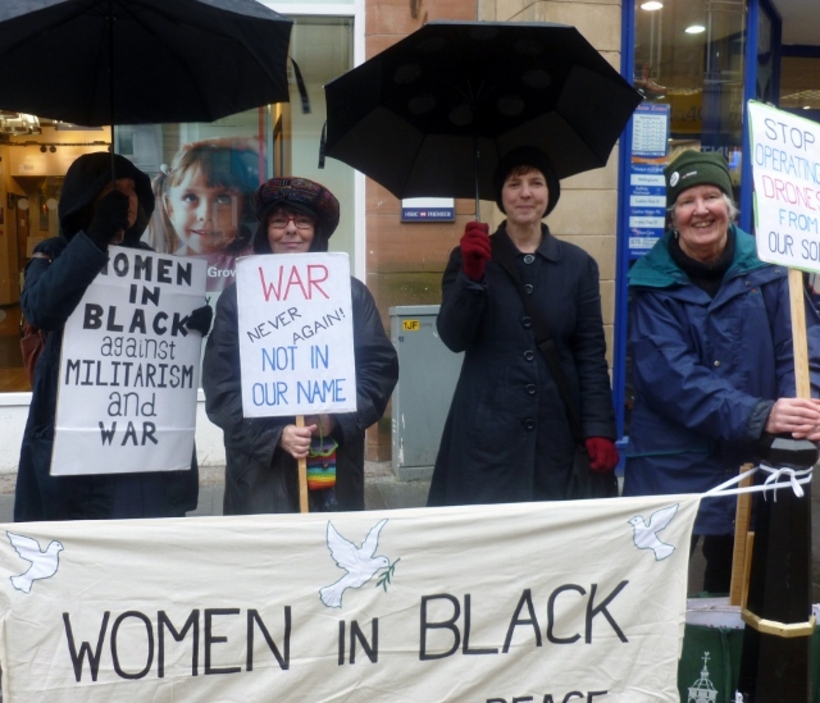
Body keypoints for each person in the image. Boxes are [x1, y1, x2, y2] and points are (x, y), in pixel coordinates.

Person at [623, 149, 820, 592]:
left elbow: (801, 350)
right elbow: (671, 379)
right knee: (654, 592)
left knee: (746, 590)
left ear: (729, 208)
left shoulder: (772, 269)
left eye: (710, 196)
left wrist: (804, 410)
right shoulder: (650, 283)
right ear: (673, 217)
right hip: (672, 467)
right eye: (687, 201)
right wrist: (761, 415)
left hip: (757, 463)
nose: (700, 210)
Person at [15, 152, 211, 522]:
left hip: (141, 454)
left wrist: (192, 323)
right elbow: (42, 308)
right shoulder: (53, 254)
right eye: (114, 190)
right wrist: (95, 238)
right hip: (77, 448)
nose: (128, 198)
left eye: (133, 190)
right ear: (88, 198)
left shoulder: (149, 261)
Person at [427, 146, 620, 506]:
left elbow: (590, 354)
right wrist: (471, 277)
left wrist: (600, 429)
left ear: (550, 193)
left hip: (556, 436)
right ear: (501, 195)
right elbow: (454, 337)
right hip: (485, 434)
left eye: (536, 182)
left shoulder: (578, 266)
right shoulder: (471, 255)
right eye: (514, 184)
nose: (526, 193)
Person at [202, 176, 399, 514]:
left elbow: (377, 369)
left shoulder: (350, 294)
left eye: (303, 221)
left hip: (331, 475)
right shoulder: (238, 299)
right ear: (266, 231)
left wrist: (334, 420)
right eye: (279, 221)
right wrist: (274, 435)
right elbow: (221, 387)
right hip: (259, 477)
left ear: (317, 231)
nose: (291, 230)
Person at [149, 138, 258, 292]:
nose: (206, 214)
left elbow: (264, 147)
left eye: (222, 198)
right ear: (171, 208)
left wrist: (226, 143)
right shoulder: (158, 270)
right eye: (191, 198)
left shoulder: (251, 259)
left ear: (242, 207)